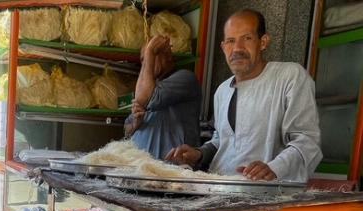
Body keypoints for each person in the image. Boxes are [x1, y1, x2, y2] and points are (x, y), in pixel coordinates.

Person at [166, 9, 321, 182]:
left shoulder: (289, 76)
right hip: (219, 186)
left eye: (246, 38)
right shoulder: (222, 90)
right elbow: (222, 141)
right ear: (223, 47)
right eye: (231, 41)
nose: (237, 48)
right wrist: (199, 153)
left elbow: (307, 141)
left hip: (268, 194)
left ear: (263, 42)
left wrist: (274, 168)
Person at [124, 35, 201, 160]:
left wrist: (149, 52)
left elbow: (147, 98)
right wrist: (135, 124)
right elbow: (127, 128)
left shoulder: (185, 78)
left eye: (152, 56)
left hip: (171, 171)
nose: (146, 64)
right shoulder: (146, 87)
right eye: (143, 60)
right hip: (142, 170)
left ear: (168, 56)